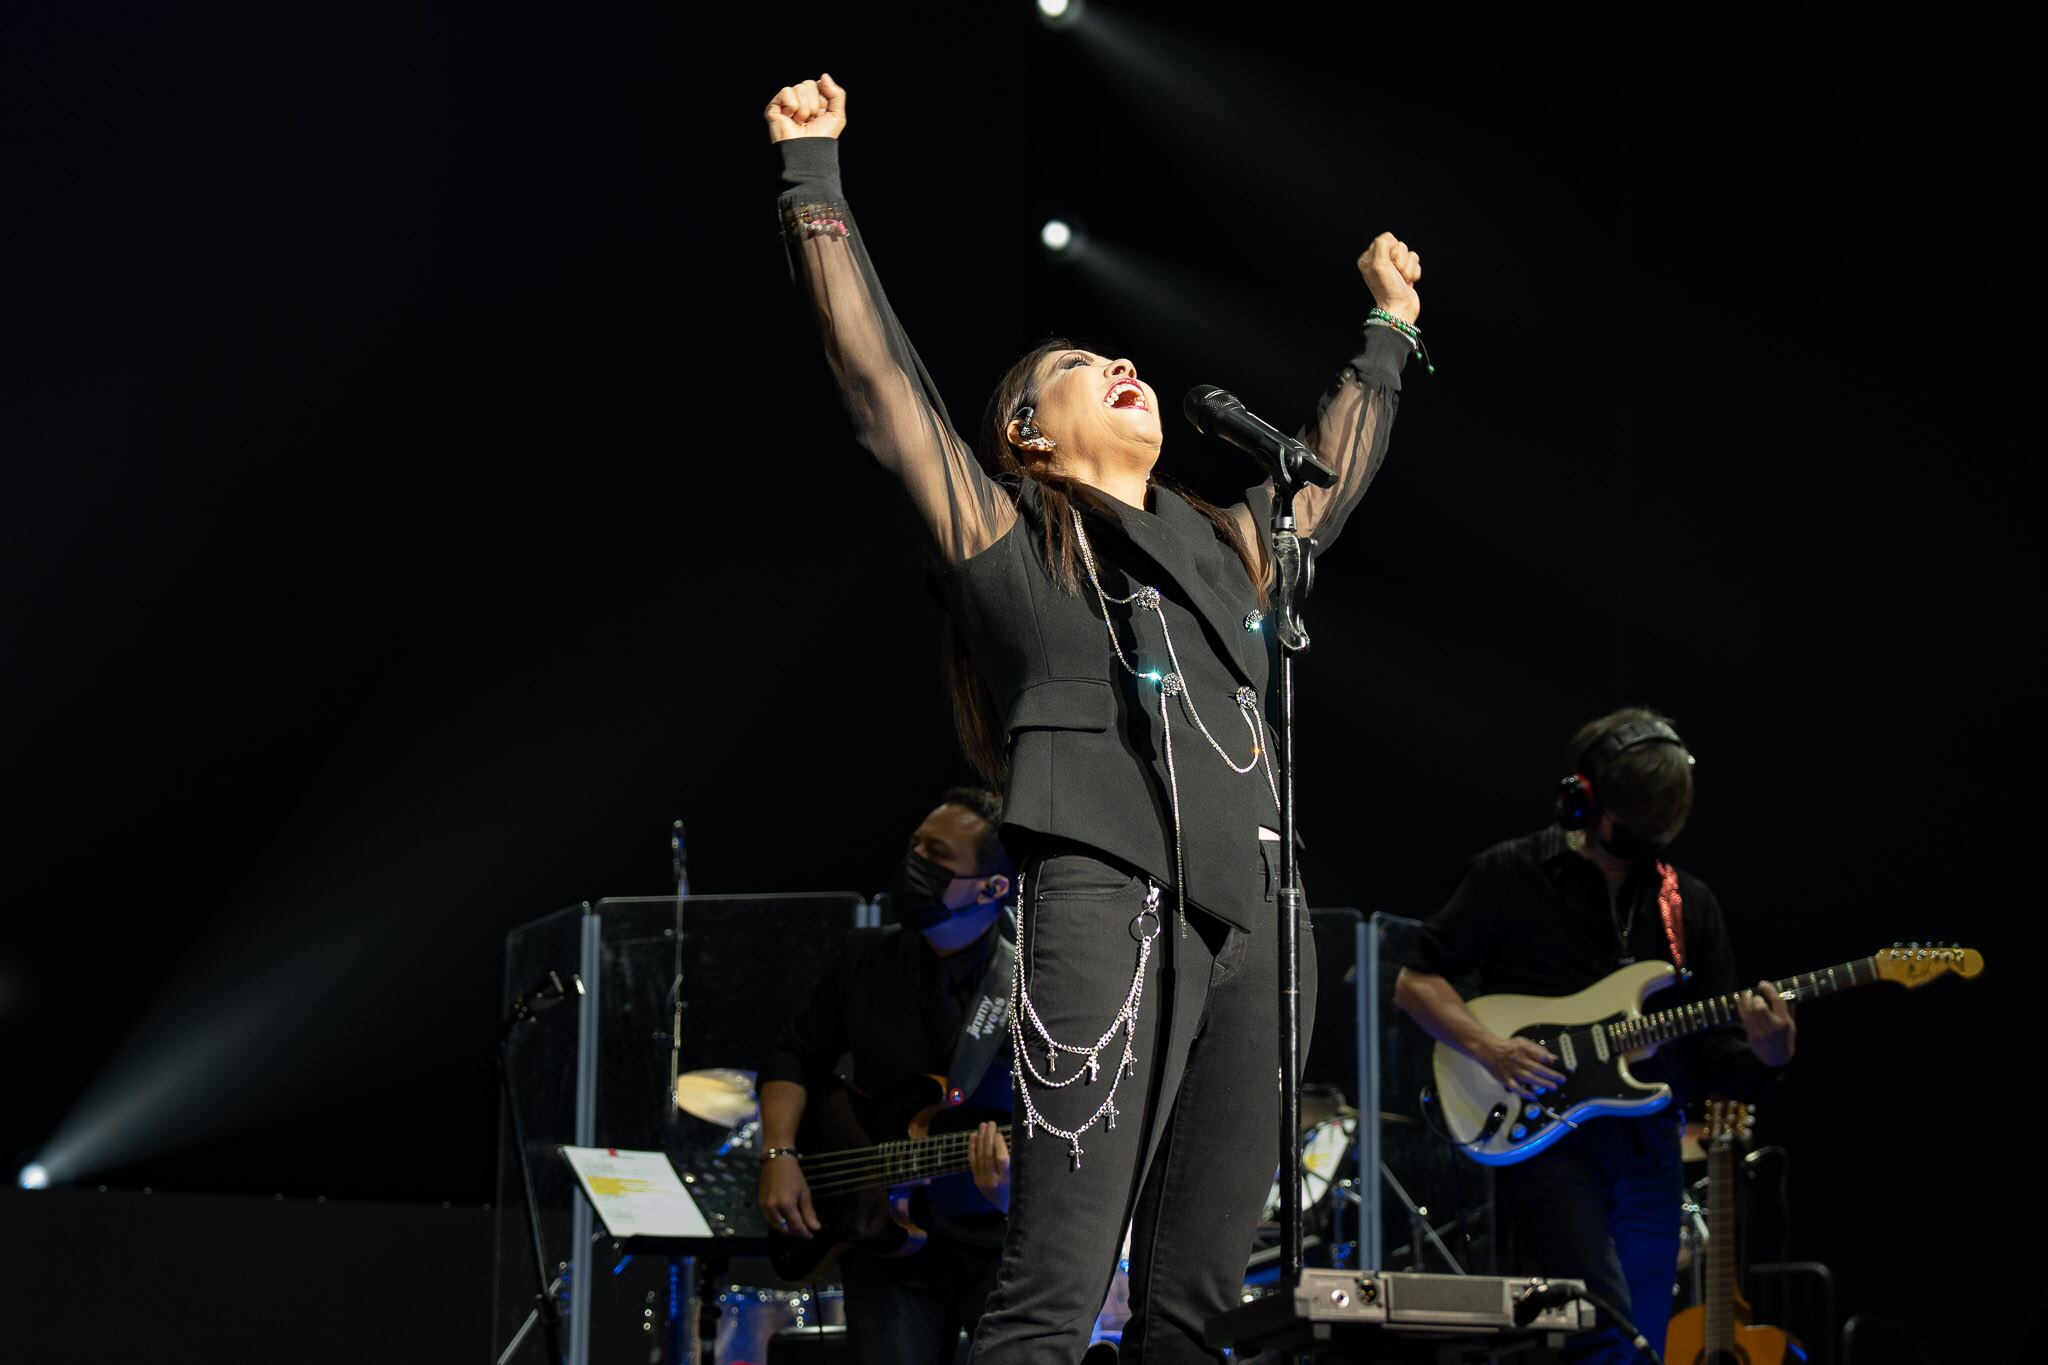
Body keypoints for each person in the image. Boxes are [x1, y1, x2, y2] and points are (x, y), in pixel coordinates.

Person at [763, 72, 1423, 1364]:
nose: (1123, 363)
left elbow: (1326, 481)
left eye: (1119, 358)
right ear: (1027, 435)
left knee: (1194, 1311)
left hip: (1259, 929)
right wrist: (814, 181)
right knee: (1052, 1296)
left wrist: (1388, 333)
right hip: (1101, 901)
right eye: (1078, 368)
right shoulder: (1020, 549)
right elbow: (880, 387)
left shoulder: (1227, 548)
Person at [1393, 707, 1797, 1364]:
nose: (1640, 841)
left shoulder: (1688, 904)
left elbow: (1712, 1058)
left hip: (1649, 1148)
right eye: (1627, 822)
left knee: (1643, 1336)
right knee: (1603, 1326)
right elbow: (1416, 981)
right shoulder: (1509, 873)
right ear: (1581, 798)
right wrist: (1489, 1046)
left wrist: (1770, 1054)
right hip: (1546, 1140)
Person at [757, 785, 1020, 1365]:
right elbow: (792, 1056)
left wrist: (1011, 1190)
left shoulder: (1032, 983)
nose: (914, 865)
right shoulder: (864, 960)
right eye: (914, 847)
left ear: (992, 888)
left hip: (995, 1250)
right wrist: (780, 1155)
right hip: (883, 1248)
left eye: (938, 856)